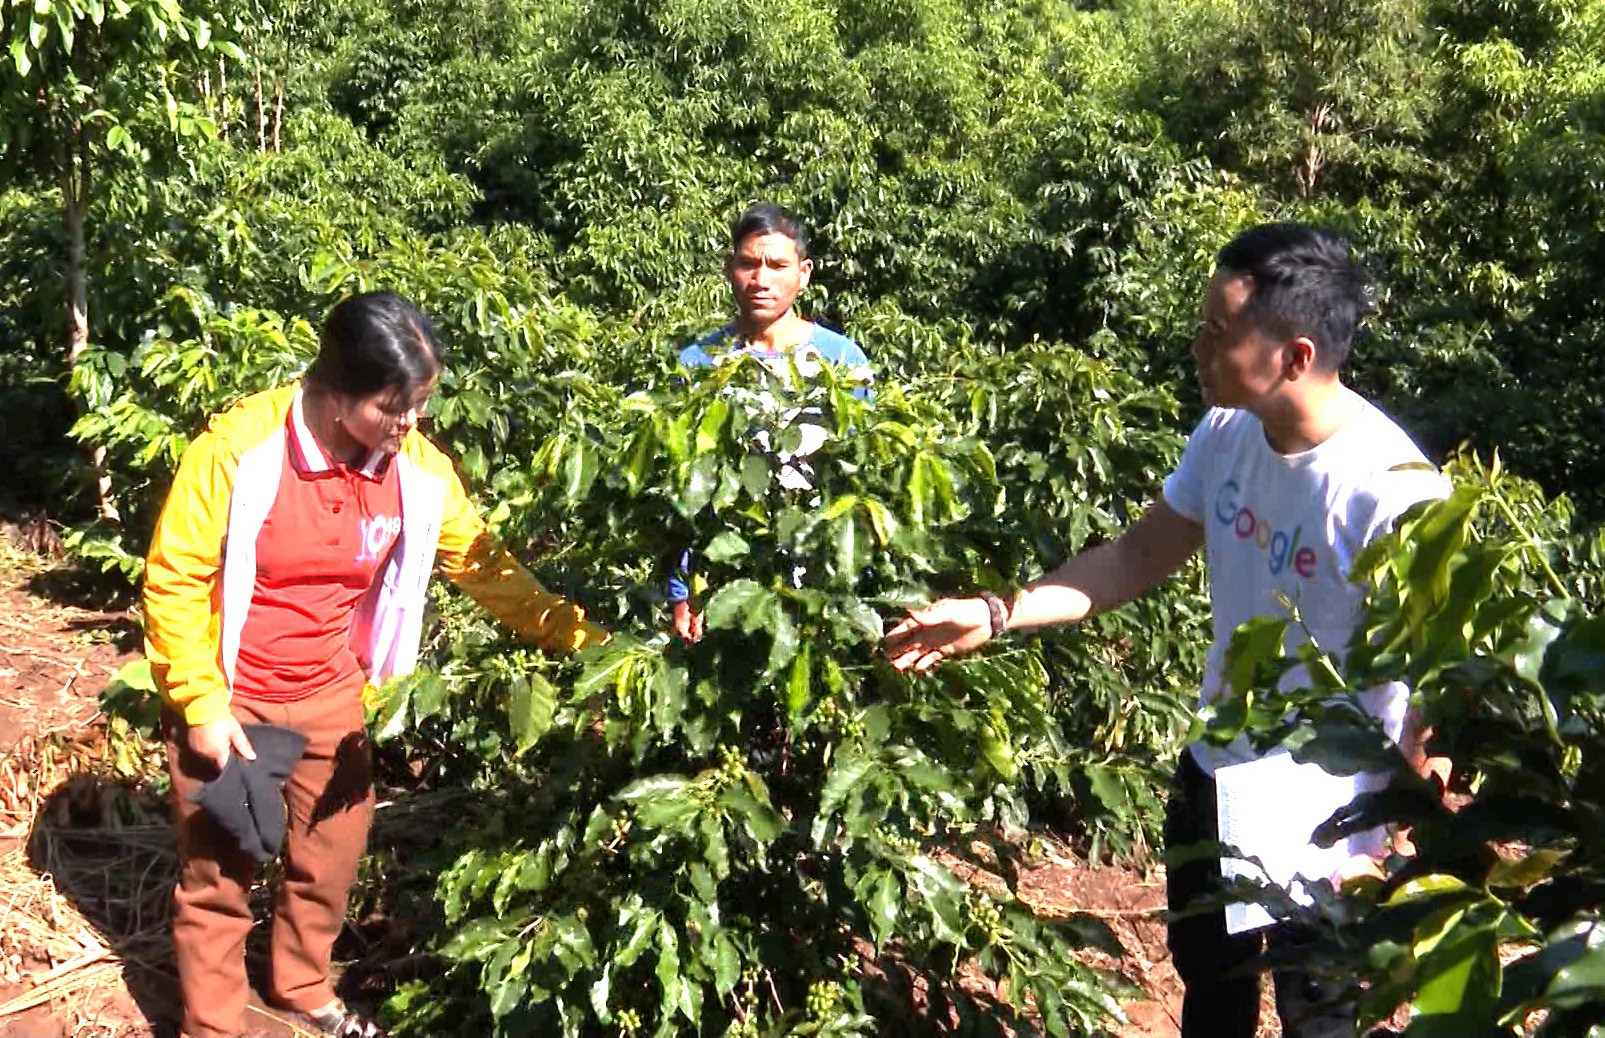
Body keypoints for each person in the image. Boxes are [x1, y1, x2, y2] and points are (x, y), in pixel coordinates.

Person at [882, 224, 1448, 1038]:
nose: (1196, 349)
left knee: (1319, 1018)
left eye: (1218, 335)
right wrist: (997, 612)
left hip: (1331, 819)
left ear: (1293, 355)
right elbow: (1136, 556)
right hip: (1220, 772)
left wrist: (1389, 834)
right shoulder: (1227, 433)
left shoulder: (1391, 494)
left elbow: (1434, 682)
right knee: (1209, 990)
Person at [143, 292, 605, 1038]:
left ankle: (299, 983)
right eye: (396, 405)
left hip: (333, 690)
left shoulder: (414, 468)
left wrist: (583, 639)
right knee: (220, 880)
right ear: (338, 391)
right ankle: (215, 1025)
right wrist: (200, 704)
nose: (411, 422)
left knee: (329, 858)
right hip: (239, 700)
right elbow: (174, 576)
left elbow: (487, 568)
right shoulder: (241, 449)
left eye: (419, 403)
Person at [669, 202, 872, 642]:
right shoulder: (699, 362)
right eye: (748, 264)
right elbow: (683, 489)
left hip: (818, 587)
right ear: (729, 269)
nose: (761, 280)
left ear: (804, 273)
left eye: (778, 265)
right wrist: (684, 593)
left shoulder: (842, 361)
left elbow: (860, 476)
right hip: (725, 587)